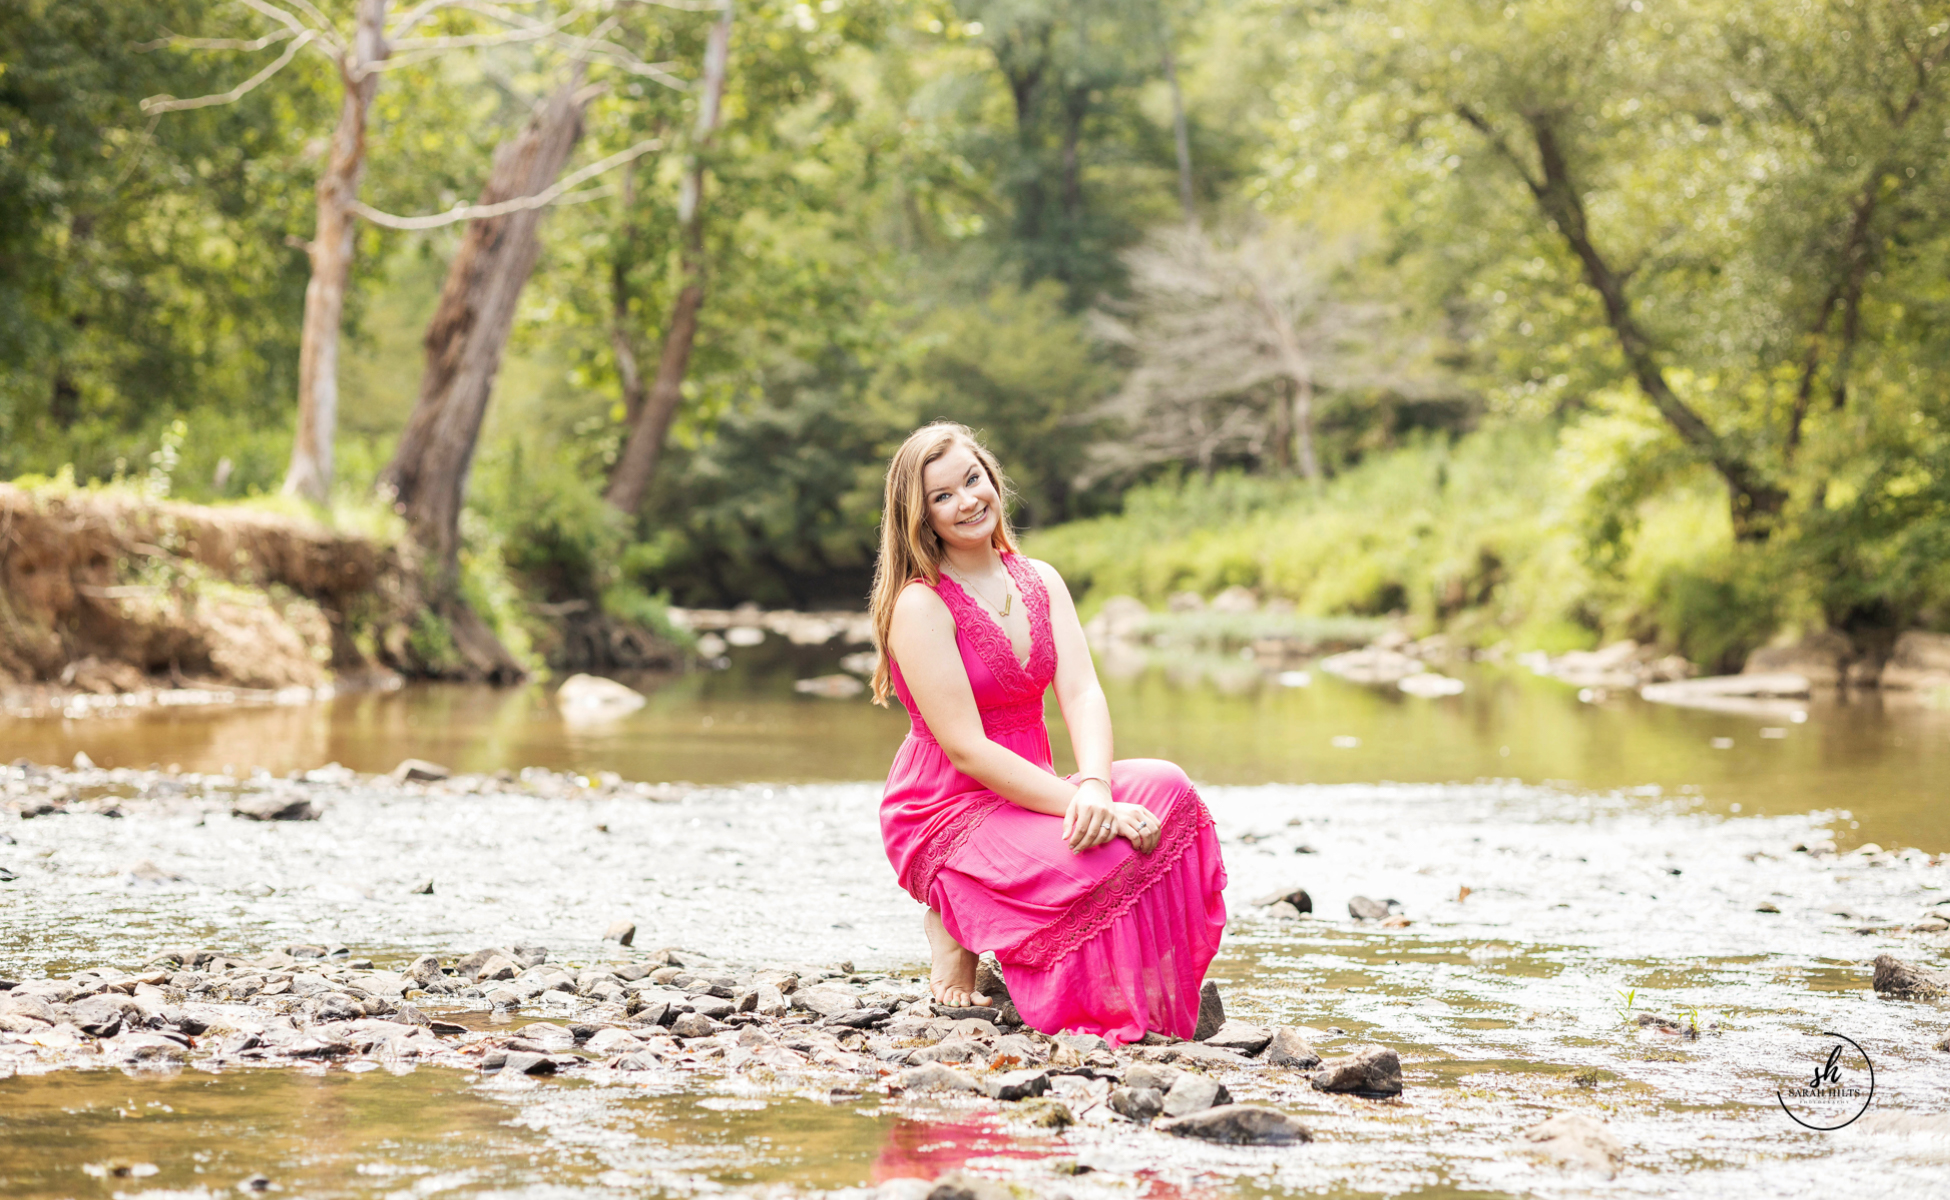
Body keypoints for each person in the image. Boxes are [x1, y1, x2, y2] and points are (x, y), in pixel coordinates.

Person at [869, 422, 1227, 1046]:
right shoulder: (921, 604)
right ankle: (954, 914)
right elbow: (966, 748)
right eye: (942, 496)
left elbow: (1083, 693)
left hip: (1036, 791)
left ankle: (1125, 982)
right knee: (1109, 843)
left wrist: (1093, 786)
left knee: (1167, 791)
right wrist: (1091, 808)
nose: (967, 501)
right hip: (951, 810)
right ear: (919, 516)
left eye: (972, 480)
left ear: (992, 478)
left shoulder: (1041, 579)